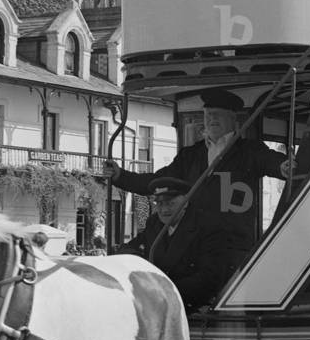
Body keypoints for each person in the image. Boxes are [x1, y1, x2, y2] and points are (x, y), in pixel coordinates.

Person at [104, 89, 289, 261]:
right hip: (195, 243)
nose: (212, 119)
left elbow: (269, 160)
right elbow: (157, 181)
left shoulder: (249, 151)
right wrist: (120, 176)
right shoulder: (190, 155)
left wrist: (283, 166)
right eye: (208, 115)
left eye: (218, 114)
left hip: (233, 245)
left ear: (234, 120)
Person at [119, 177, 232, 310]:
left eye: (170, 203)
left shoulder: (208, 226)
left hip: (191, 306)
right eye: (159, 204)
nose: (164, 210)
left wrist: (164, 289)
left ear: (185, 202)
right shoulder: (154, 223)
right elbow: (129, 249)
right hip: (156, 303)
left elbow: (210, 277)